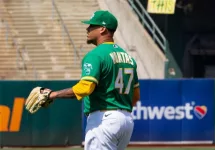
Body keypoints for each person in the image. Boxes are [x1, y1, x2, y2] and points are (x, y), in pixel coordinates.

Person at [44, 10, 140, 150]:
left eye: (91, 26)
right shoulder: (128, 58)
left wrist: (53, 94)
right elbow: (136, 96)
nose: (87, 29)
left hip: (104, 119)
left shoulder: (96, 55)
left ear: (102, 29)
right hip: (126, 120)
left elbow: (85, 88)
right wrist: (120, 111)